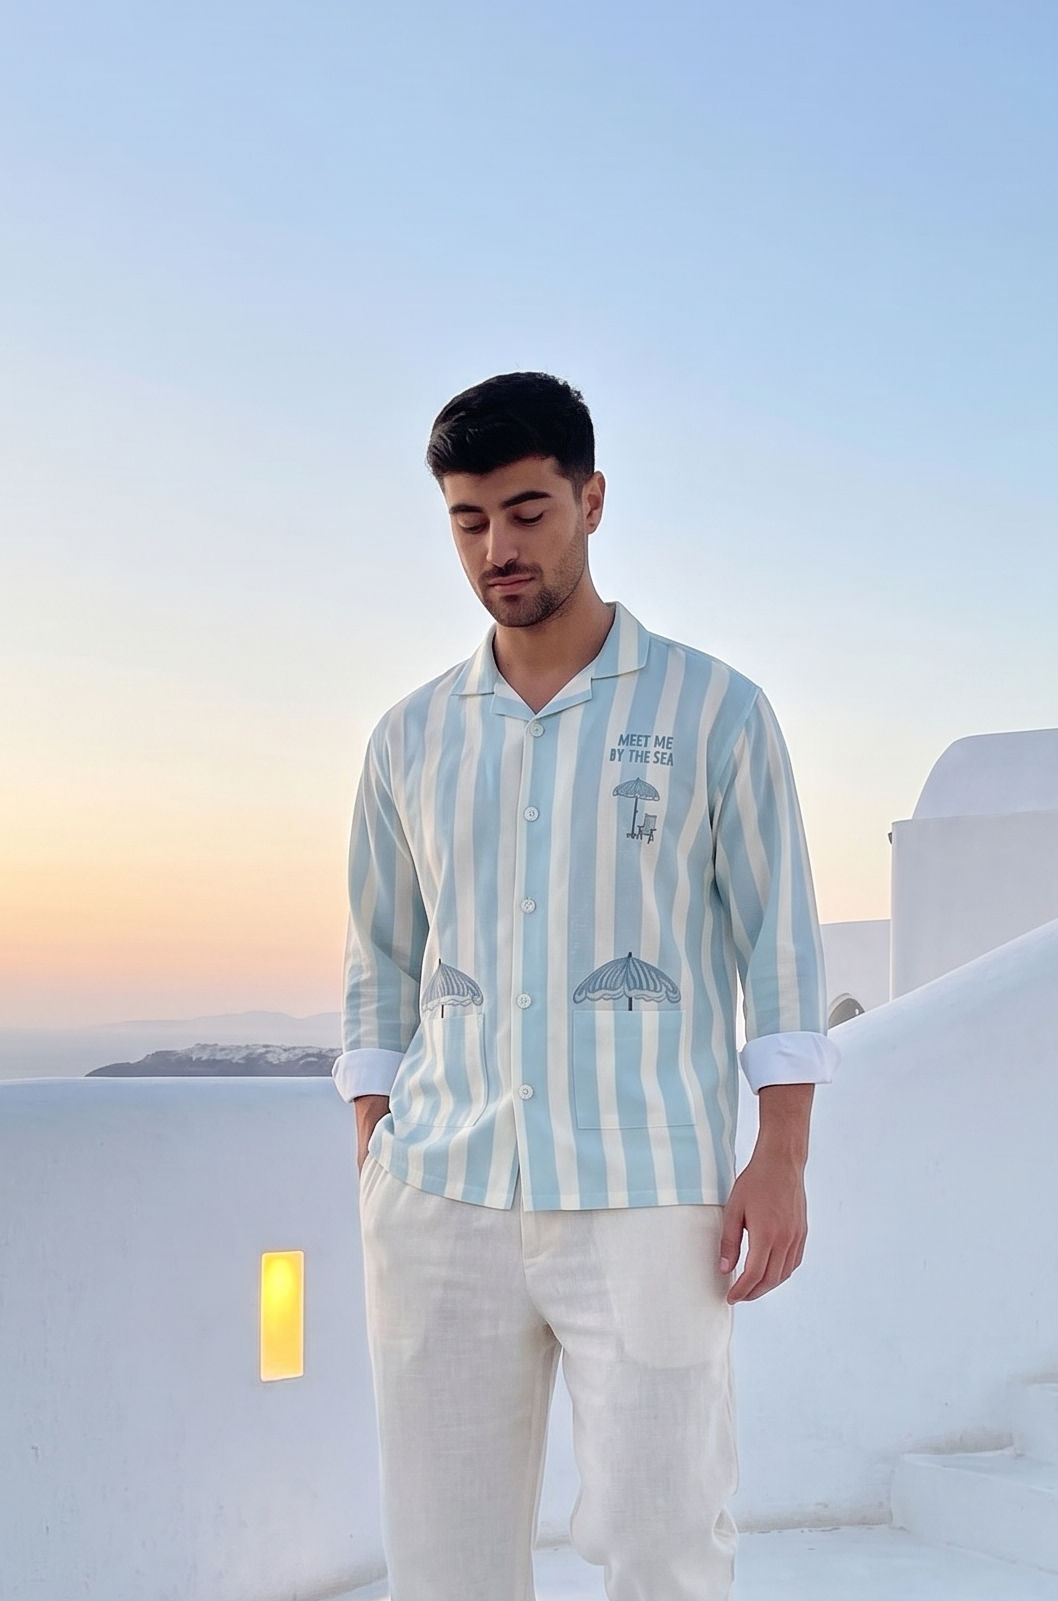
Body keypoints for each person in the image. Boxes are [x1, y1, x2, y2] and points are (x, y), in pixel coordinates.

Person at [333, 372, 838, 1601]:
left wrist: (779, 1157)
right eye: (468, 521)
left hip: (648, 1196)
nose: (498, 548)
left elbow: (779, 947)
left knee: (667, 1545)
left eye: (526, 510)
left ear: (590, 500)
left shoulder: (716, 711)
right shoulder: (407, 737)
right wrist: (377, 1148)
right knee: (443, 1559)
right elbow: (378, 960)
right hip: (441, 1193)